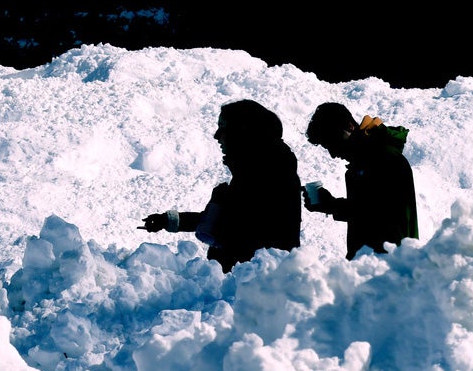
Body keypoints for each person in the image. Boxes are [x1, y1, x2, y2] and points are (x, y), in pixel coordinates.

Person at [140, 99, 301, 272]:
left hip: (254, 282)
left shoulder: (267, 173)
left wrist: (218, 203)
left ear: (242, 131)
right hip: (252, 280)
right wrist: (170, 220)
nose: (216, 136)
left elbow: (240, 231)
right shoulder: (258, 168)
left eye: (222, 127)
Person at [303, 102, 419, 259]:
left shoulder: (385, 158)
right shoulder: (362, 163)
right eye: (327, 147)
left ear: (350, 127)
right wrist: (329, 205)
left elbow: (382, 216)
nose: (333, 154)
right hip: (372, 263)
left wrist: (331, 204)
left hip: (389, 264)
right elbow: (367, 210)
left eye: (333, 142)